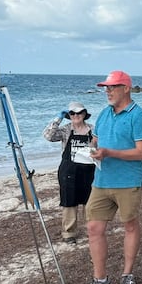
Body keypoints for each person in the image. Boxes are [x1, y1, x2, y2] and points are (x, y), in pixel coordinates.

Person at [71, 71, 142, 284]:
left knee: (130, 226)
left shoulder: (139, 116)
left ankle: (127, 275)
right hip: (101, 180)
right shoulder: (104, 113)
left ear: (126, 88)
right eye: (106, 88)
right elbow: (95, 140)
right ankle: (100, 279)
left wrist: (109, 152)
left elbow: (141, 153)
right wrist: (91, 151)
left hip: (128, 181)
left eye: (112, 87)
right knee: (93, 228)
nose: (107, 91)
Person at [42, 101, 95, 244]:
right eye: (72, 113)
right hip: (68, 170)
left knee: (90, 201)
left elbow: (100, 145)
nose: (76, 115)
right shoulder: (65, 130)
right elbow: (48, 136)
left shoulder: (93, 129)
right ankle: (69, 233)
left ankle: (92, 230)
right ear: (69, 115)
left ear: (84, 114)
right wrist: (58, 118)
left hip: (89, 170)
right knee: (69, 201)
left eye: (79, 112)